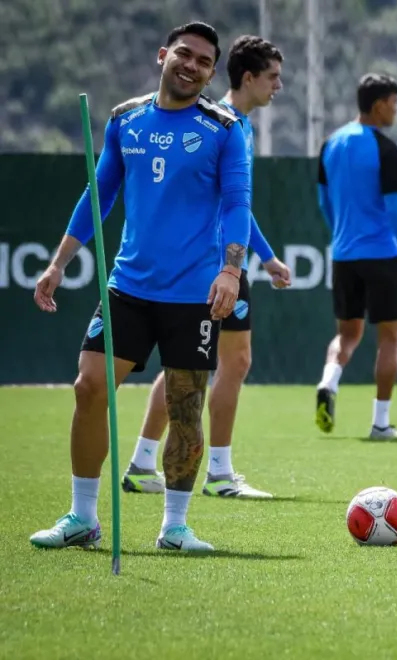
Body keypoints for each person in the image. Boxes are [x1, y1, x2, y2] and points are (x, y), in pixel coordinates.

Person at [30, 21, 252, 553]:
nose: (192, 65)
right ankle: (83, 517)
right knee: (88, 389)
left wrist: (231, 270)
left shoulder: (225, 129)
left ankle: (174, 527)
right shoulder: (124, 121)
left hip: (194, 295)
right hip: (127, 288)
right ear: (162, 56)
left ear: (211, 72)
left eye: (204, 61)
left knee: (185, 407)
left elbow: (237, 204)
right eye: (185, 54)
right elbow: (98, 195)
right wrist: (59, 263)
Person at [120, 34, 291, 500]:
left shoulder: (233, 124)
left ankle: (140, 461)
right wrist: (255, 261)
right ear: (249, 77)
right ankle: (218, 472)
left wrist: (267, 256)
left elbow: (238, 205)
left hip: (219, 266)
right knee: (230, 363)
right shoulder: (223, 124)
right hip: (214, 269)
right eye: (273, 76)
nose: (279, 86)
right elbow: (235, 206)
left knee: (188, 367)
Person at [314, 73, 397, 440]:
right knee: (390, 337)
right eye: (393, 102)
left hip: (343, 255)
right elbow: (395, 207)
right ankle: (380, 423)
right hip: (382, 254)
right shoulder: (386, 148)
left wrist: (341, 233)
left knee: (346, 334)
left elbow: (323, 203)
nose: (396, 109)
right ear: (378, 105)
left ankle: (329, 381)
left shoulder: (330, 143)